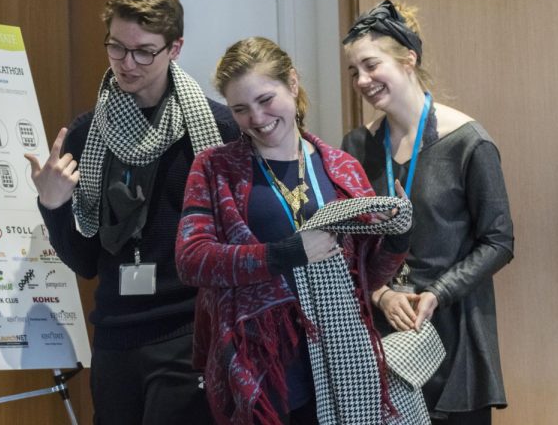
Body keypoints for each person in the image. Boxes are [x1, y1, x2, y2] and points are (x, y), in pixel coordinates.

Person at [25, 0, 239, 424]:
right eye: (117, 48)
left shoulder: (219, 132)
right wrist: (53, 205)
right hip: (115, 336)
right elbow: (84, 262)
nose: (127, 64)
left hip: (190, 331)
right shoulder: (85, 136)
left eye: (144, 51)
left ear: (174, 49)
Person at [176, 37, 411, 425]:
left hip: (343, 364)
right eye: (240, 109)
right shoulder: (215, 168)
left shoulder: (342, 167)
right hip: (262, 368)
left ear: (293, 83)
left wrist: (399, 233)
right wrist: (285, 253)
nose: (256, 118)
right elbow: (192, 260)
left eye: (265, 100)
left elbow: (370, 277)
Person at [341, 0, 515, 425]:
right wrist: (381, 294)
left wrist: (437, 293)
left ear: (408, 60)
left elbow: (499, 242)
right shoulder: (355, 147)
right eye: (353, 72)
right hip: (381, 333)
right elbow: (344, 246)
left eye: (370, 65)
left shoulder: (469, 142)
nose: (362, 81)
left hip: (455, 337)